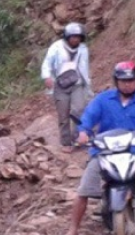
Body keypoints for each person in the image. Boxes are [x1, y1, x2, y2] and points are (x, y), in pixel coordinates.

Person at [65, 61, 135, 235]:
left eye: (131, 80)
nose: (127, 84)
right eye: (123, 80)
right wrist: (83, 132)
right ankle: (72, 230)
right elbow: (87, 119)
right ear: (116, 81)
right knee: (83, 190)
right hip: (105, 151)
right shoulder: (102, 100)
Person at [41, 22, 92, 150]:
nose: (76, 39)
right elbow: (47, 63)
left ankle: (77, 138)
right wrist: (47, 76)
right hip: (60, 85)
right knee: (63, 115)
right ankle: (65, 142)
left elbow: (84, 68)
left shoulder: (83, 49)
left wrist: (87, 83)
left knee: (78, 110)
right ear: (67, 36)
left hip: (77, 84)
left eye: (78, 37)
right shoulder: (56, 47)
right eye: (73, 36)